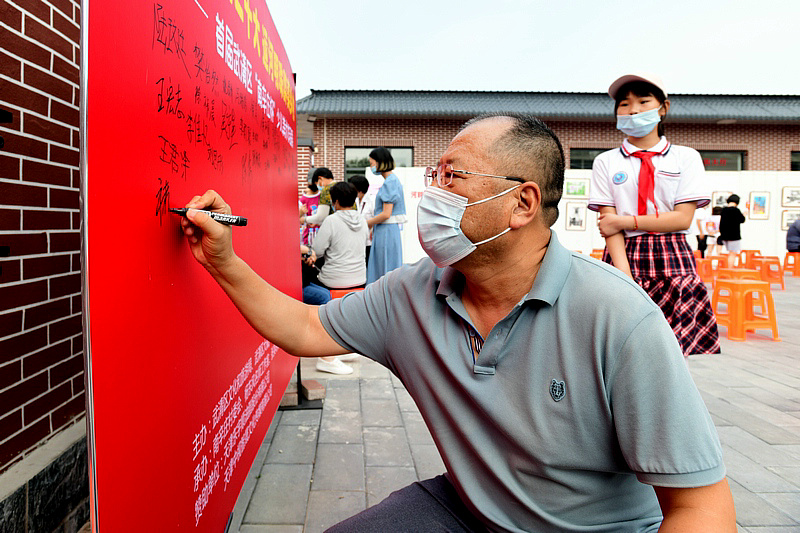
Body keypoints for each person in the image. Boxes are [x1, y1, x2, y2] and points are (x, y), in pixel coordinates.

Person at [177, 113, 735, 532]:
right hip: (468, 511)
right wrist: (223, 260)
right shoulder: (412, 291)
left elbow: (701, 505)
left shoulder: (618, 317)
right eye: (436, 173)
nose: (432, 192)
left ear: (522, 203)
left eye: (453, 176)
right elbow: (304, 328)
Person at [588, 73, 720, 357]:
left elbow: (682, 219)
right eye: (624, 104)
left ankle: (669, 401)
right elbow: (608, 226)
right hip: (623, 253)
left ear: (664, 107)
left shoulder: (685, 157)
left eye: (643, 101)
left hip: (673, 255)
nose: (633, 109)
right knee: (623, 345)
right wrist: (624, 275)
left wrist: (624, 221)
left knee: (672, 348)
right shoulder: (605, 161)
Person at [310, 181, 369, 290]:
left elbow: (316, 251)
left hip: (333, 281)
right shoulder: (362, 220)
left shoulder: (331, 220)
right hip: (360, 279)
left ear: (336, 202)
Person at [365, 147, 406, 284]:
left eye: (372, 164)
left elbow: (386, 214)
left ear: (380, 162)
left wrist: (367, 223)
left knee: (385, 268)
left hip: (386, 232)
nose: (372, 167)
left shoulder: (391, 182)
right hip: (385, 230)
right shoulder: (390, 181)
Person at [348, 174, 375, 264]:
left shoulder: (372, 200)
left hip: (370, 241)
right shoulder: (355, 200)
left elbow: (378, 219)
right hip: (357, 242)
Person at [719, 194, 746, 265]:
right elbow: (742, 220)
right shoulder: (736, 210)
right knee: (732, 254)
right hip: (734, 236)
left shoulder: (724, 210)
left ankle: (726, 269)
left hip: (724, 236)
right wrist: (744, 215)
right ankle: (729, 270)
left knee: (728, 253)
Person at [299, 172, 322, 246]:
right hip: (308, 238)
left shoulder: (323, 197)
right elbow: (297, 220)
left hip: (322, 236)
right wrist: (301, 213)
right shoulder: (303, 200)